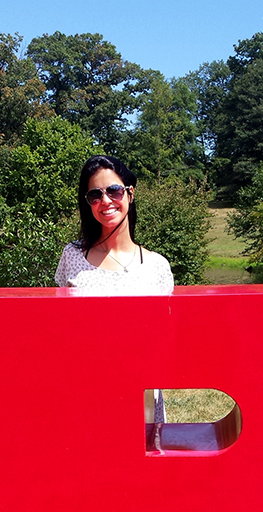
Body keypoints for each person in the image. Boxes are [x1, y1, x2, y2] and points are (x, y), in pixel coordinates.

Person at [55, 154, 173, 421]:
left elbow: (165, 338)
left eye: (114, 190)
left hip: (142, 395)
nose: (105, 201)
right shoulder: (72, 256)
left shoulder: (157, 266)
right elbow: (61, 328)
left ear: (130, 193)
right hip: (87, 392)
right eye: (95, 195)